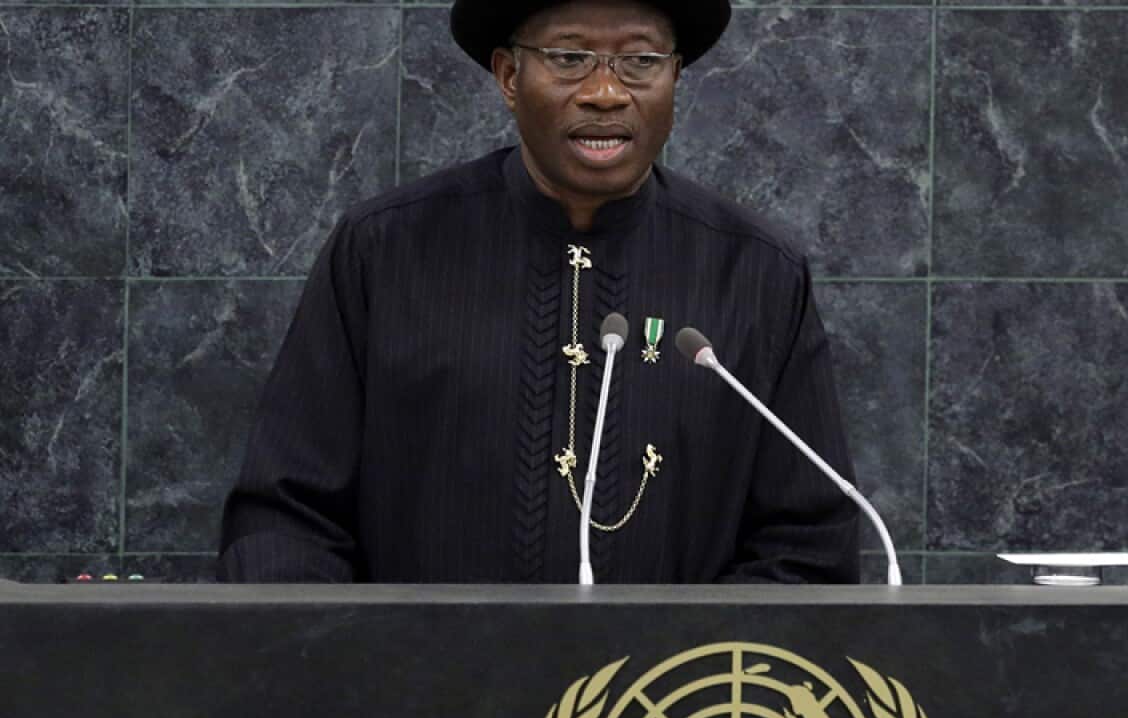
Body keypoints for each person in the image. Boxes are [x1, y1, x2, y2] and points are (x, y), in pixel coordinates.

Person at [217, 0, 860, 583]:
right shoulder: (387, 249)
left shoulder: (754, 271)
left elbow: (807, 546)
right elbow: (284, 519)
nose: (605, 93)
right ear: (508, 77)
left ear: (675, 80)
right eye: (569, 57)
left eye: (639, 61)